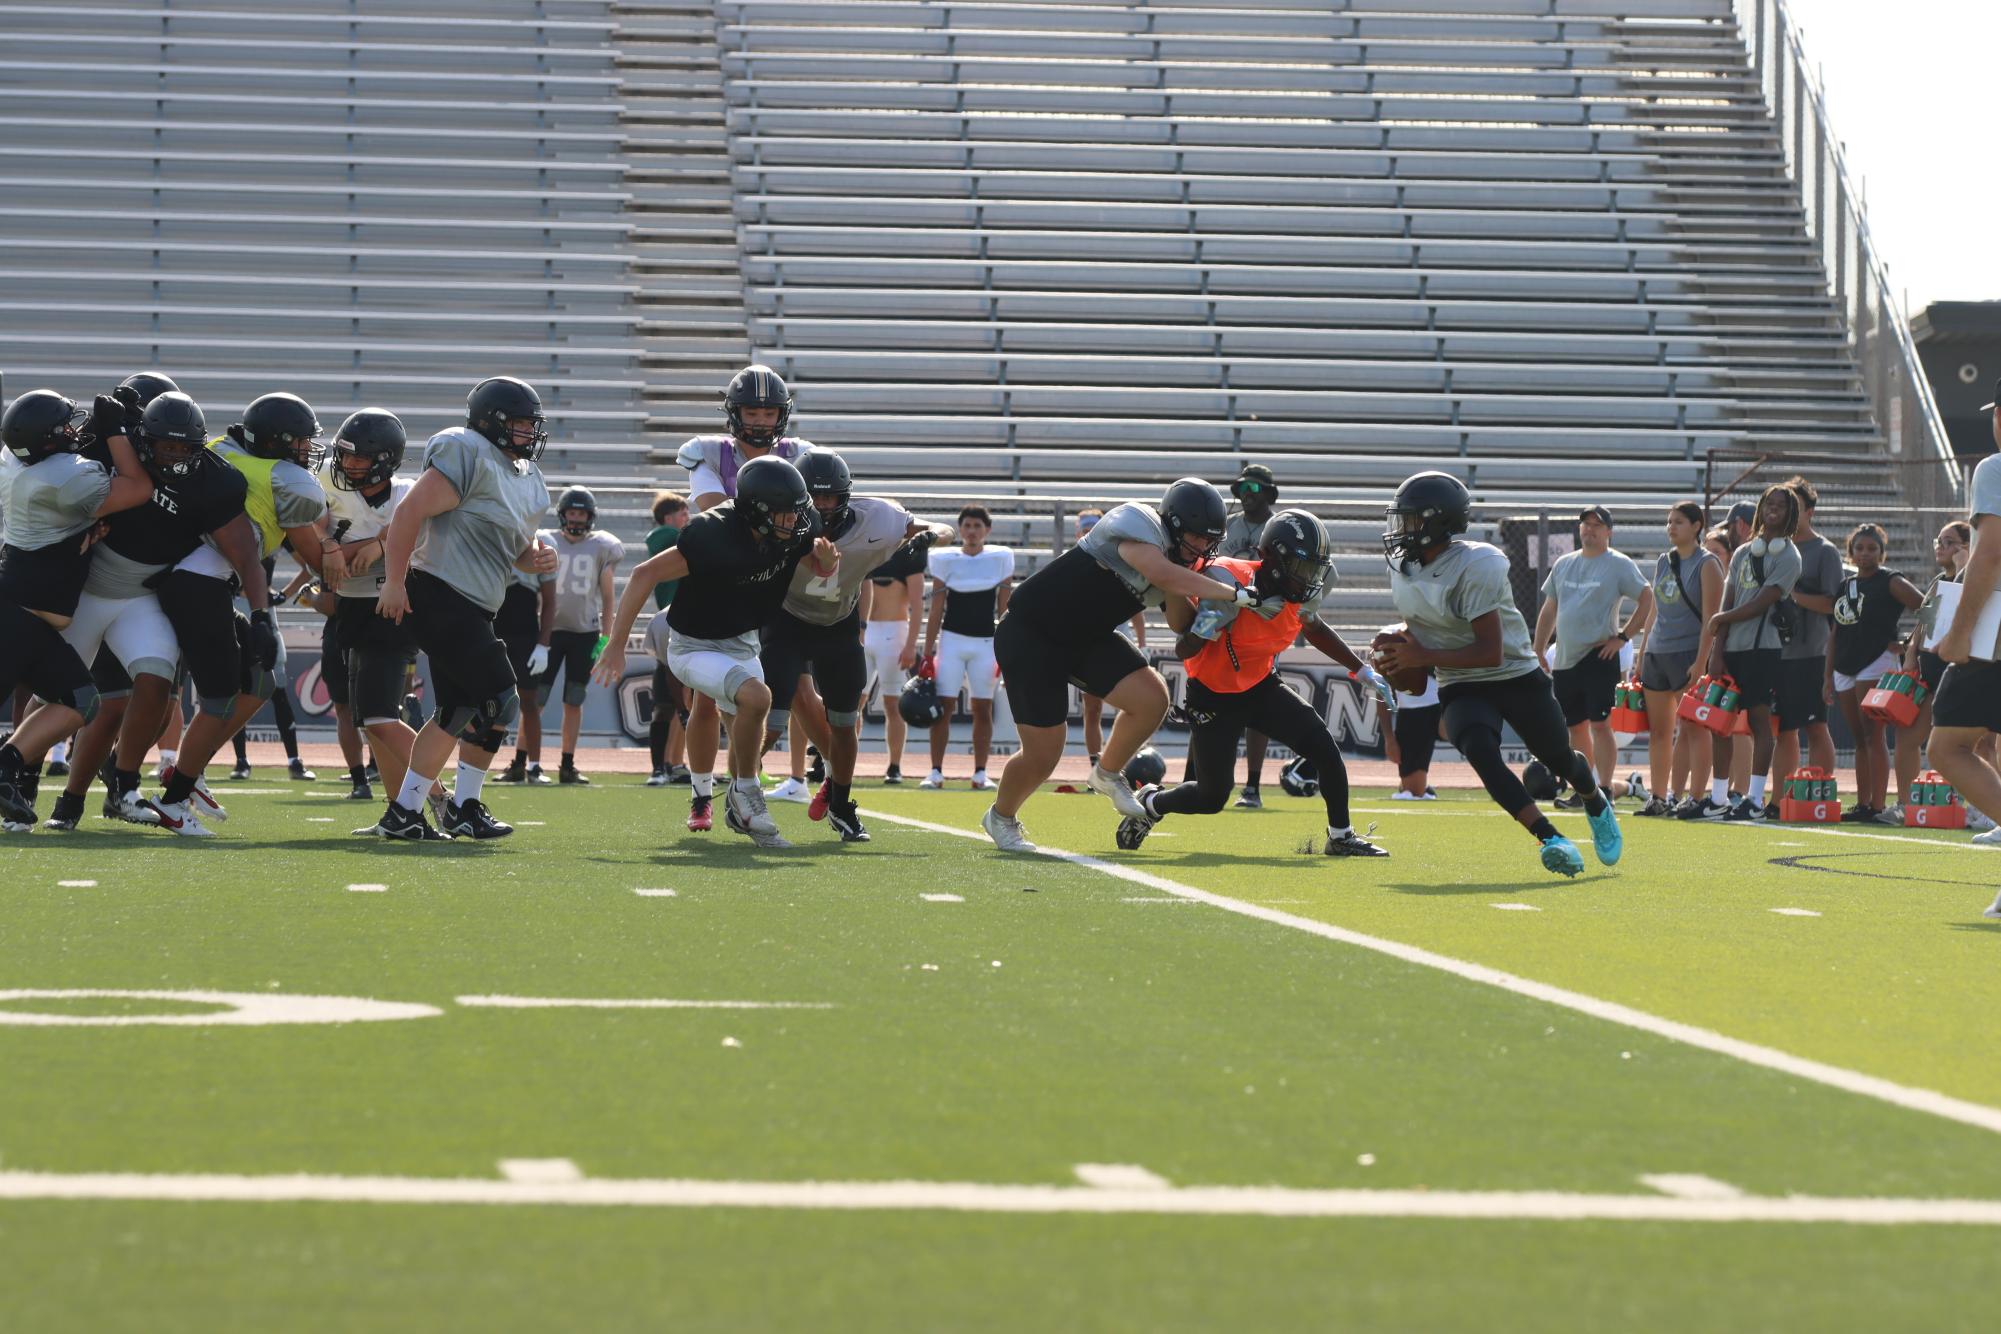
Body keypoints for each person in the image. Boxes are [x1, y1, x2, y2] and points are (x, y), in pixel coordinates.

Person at [1373, 471, 1619, 876]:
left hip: (1512, 673)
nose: (1402, 529)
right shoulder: (1403, 568)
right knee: (1480, 752)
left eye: (1412, 519)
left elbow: (1489, 652)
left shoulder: (1477, 564)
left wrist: (1421, 657)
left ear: (1438, 522)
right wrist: (1395, 644)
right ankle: (1550, 837)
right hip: (1460, 680)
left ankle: (1593, 796)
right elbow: (1423, 626)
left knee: (1558, 757)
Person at [984, 478, 1250, 852]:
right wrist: (1233, 594)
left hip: (1084, 637)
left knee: (1151, 698)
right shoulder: (1138, 522)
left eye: (1210, 540)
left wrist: (1212, 603)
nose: (1204, 547)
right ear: (1173, 523)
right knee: (1044, 753)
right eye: (1198, 537)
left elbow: (1178, 621)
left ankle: (1107, 773)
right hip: (1032, 632)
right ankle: (1001, 817)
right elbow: (1157, 572)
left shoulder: (1174, 561)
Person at [1115, 509, 1388, 857]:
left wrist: (1360, 669)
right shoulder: (1228, 580)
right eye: (1301, 568)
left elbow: (1314, 626)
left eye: (1313, 569)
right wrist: (1210, 620)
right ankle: (1152, 802)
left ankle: (1341, 836)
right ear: (1270, 559)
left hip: (1260, 687)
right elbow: (1184, 647)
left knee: (1324, 749)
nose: (1308, 579)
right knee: (1212, 796)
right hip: (1212, 695)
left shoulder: (1296, 596)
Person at [594, 456, 834, 847]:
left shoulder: (793, 529)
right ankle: (739, 798)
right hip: (693, 645)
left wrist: (823, 563)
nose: (794, 522)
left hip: (743, 640)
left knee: (747, 744)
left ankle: (741, 799)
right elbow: (644, 574)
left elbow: (808, 559)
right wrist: (617, 644)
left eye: (795, 513)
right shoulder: (712, 534)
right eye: (783, 513)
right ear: (756, 511)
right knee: (758, 697)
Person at [43, 378, 251, 831]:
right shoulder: (113, 447)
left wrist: (261, 611)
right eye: (164, 446)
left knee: (157, 686)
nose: (174, 455)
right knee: (58, 697)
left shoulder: (215, 480)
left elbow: (243, 547)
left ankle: (122, 786)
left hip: (141, 596)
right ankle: (31, 785)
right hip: (86, 589)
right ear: (141, 434)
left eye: (184, 448)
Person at [365, 376, 556, 841]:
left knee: (455, 710)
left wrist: (536, 559)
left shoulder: (527, 479)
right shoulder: (466, 450)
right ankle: (465, 806)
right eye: (520, 425)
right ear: (492, 422)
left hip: (474, 603)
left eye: (532, 426)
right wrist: (393, 581)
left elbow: (513, 551)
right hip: (437, 591)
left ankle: (406, 811)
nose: (529, 434)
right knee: (501, 698)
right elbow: (408, 513)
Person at [759, 451, 949, 841]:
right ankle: (741, 788)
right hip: (786, 621)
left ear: (846, 496)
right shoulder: (779, 521)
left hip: (836, 624)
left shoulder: (877, 517)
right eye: (816, 498)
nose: (824, 507)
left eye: (831, 497)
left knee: (845, 722)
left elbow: (941, 528)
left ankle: (842, 805)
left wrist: (930, 536)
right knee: (772, 719)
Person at [0, 389, 155, 828]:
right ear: (48, 442)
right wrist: (116, 432)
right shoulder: (66, 477)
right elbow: (139, 486)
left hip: (31, 618)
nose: (75, 430)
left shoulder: (16, 462)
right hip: (16, 614)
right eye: (65, 427)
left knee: (81, 700)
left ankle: (6, 766)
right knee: (79, 700)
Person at [675, 364, 815, 813]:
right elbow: (714, 513)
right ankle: (702, 794)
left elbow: (813, 517)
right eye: (751, 410)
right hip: (718, 581)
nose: (760, 420)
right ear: (734, 414)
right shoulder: (709, 453)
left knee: (779, 694)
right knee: (706, 701)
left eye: (769, 411)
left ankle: (767, 785)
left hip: (771, 584)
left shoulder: (801, 453)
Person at [316, 408, 433, 808]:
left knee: (380, 717)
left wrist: (383, 543)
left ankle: (438, 797)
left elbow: (418, 535)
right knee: (370, 720)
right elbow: (309, 537)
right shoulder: (329, 485)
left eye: (359, 458)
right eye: (345, 455)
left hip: (390, 607)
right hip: (350, 609)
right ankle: (398, 809)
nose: (348, 464)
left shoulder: (407, 492)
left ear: (385, 460)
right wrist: (333, 546)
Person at [1677, 484, 1802, 822]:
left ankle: (1754, 799)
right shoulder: (1746, 552)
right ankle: (1718, 799)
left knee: (1759, 723)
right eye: (1769, 503)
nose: (1774, 509)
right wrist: (1717, 650)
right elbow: (1729, 597)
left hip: (1764, 649)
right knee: (1719, 724)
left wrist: (1721, 619)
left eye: (1781, 505)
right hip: (1733, 648)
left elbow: (1764, 600)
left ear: (1791, 514)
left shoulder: (1789, 556)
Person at [1531, 505, 1653, 806]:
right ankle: (1584, 789)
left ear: (1609, 531)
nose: (1590, 529)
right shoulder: (1565, 563)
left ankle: (1606, 789)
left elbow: (1646, 597)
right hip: (1567, 657)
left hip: (1599, 656)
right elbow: (1551, 607)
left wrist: (1623, 637)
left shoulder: (1618, 564)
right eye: (1585, 524)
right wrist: (1539, 646)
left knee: (1600, 725)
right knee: (1574, 729)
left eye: (1597, 525)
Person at [1932, 395, 2001, 915]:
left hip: (1996, 630)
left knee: (1948, 746)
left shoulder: (1995, 467)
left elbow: (1991, 550)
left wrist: (1959, 632)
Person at [1829, 523, 1922, 824]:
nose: (1865, 554)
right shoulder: (1846, 585)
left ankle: (1879, 804)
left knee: (1873, 734)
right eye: (1859, 548)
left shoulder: (1890, 580)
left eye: (1872, 548)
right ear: (1851, 552)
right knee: (1858, 738)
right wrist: (1826, 676)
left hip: (1876, 661)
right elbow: (1834, 632)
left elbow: (1926, 606)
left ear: (1882, 552)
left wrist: (1908, 643)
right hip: (1844, 665)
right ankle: (1864, 802)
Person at [530, 485, 623, 785]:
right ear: (562, 514)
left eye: (582, 513)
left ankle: (567, 764)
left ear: (591, 515)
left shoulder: (603, 545)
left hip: (585, 633)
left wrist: (606, 638)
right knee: (535, 698)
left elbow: (608, 598)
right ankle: (525, 761)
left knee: (574, 698)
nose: (577, 518)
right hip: (549, 633)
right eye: (572, 511)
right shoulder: (545, 540)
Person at [1637, 502, 1722, 816]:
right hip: (1658, 653)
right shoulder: (1664, 561)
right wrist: (1643, 651)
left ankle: (1696, 798)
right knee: (1659, 731)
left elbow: (1712, 620)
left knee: (1694, 728)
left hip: (1687, 654)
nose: (1671, 527)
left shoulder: (1708, 564)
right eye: (1669, 522)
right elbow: (1654, 611)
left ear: (1697, 526)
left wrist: (1701, 661)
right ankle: (1659, 797)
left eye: (1679, 522)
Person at [920, 505, 1013, 790]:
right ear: (960, 530)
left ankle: (980, 772)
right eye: (968, 526)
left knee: (983, 708)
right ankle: (935, 771)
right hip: (951, 641)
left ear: (987, 530)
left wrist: (1007, 652)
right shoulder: (945, 560)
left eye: (977, 526)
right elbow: (936, 609)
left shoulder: (1000, 559)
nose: (972, 531)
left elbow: (1005, 611)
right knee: (944, 707)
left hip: (985, 643)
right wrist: (927, 651)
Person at [1895, 520, 1972, 815]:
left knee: (1974, 747)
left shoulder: (1973, 578)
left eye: (1948, 542)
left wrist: (1965, 563)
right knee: (1908, 737)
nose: (1940, 547)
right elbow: (1923, 624)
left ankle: (1977, 807)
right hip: (1930, 675)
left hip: (1963, 675)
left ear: (1964, 547)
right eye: (1938, 541)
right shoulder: (1937, 582)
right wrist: (1911, 654)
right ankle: (1905, 804)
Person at [1770, 476, 1840, 798]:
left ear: (1810, 511)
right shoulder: (1774, 548)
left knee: (1815, 726)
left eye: (1794, 507)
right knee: (1783, 729)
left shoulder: (1825, 551)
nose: (1787, 513)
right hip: (1776, 651)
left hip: (1811, 651)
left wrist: (1792, 595)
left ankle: (1818, 795)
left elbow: (1834, 604)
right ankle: (1780, 798)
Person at [1219, 464, 1280, 807]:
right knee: (1209, 694)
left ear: (1270, 494)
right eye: (1242, 488)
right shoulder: (1229, 527)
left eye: (1254, 489)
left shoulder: (1279, 527)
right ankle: (1198, 779)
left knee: (1258, 702)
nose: (1246, 495)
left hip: (1262, 621)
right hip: (1227, 616)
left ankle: (1253, 785)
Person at [1072, 509, 1149, 770]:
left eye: (1092, 526)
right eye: (1084, 527)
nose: (1088, 531)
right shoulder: (1073, 562)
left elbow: (1136, 609)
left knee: (1129, 707)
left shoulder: (1119, 561)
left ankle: (1121, 765)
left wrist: (1143, 643)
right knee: (1091, 709)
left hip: (1117, 640)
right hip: (1088, 642)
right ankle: (1096, 765)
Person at [862, 533, 926, 784]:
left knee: (893, 704)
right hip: (865, 630)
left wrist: (911, 644)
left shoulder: (909, 556)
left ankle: (894, 765)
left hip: (893, 633)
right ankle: (836, 763)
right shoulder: (867, 550)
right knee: (851, 704)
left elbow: (917, 604)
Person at [641, 490, 691, 786]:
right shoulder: (662, 536)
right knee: (666, 703)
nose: (688, 519)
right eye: (683, 514)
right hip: (671, 623)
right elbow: (661, 541)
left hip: (689, 622)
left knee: (684, 704)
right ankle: (660, 766)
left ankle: (675, 762)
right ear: (668, 518)